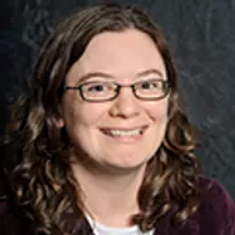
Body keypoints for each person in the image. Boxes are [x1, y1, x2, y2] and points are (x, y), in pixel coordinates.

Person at [0, 3, 234, 235]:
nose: (127, 108)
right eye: (99, 87)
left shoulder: (209, 210)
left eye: (147, 85)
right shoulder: (10, 221)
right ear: (55, 108)